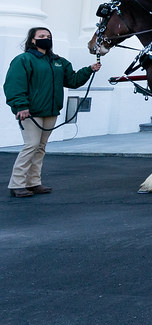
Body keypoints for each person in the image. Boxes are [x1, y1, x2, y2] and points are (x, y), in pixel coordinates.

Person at [4, 27, 101, 198]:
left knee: (40, 147)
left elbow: (72, 80)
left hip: (50, 111)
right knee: (31, 146)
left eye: (48, 36)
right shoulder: (23, 60)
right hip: (30, 112)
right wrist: (21, 106)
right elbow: (14, 84)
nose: (46, 38)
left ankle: (33, 182)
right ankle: (17, 184)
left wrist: (89, 70)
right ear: (32, 40)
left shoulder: (59, 61)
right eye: (41, 36)